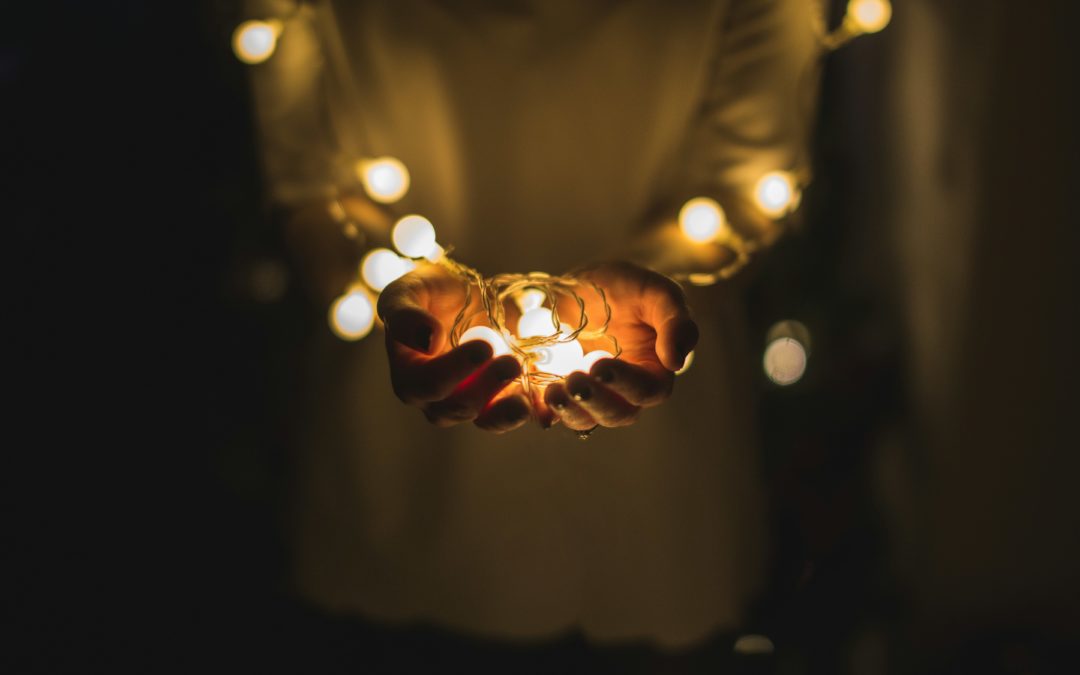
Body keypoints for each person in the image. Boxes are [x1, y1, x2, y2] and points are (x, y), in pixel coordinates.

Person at [247, 0, 819, 654]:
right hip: (397, 486)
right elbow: (307, 184)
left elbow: (746, 180)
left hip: (646, 501)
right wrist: (382, 285)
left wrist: (661, 281)